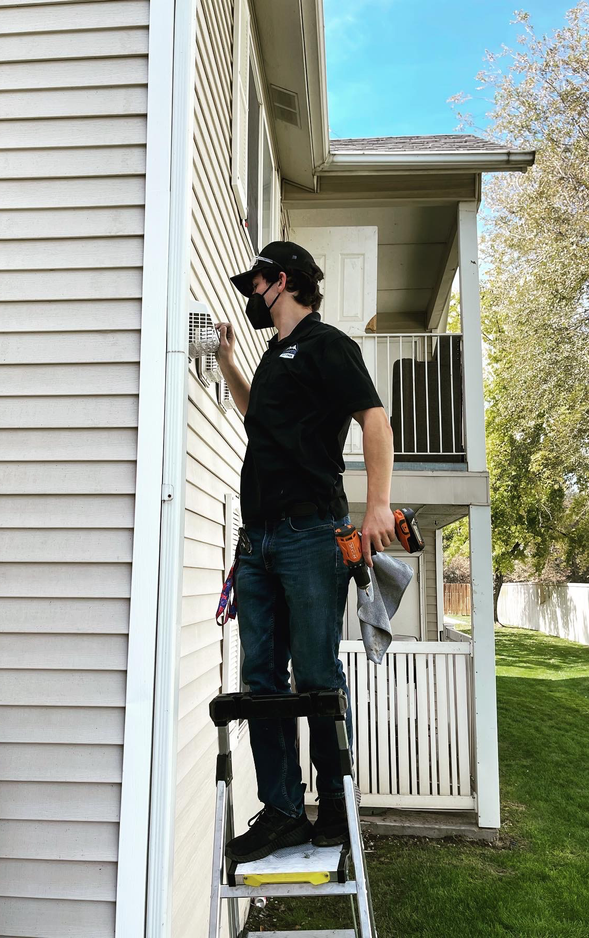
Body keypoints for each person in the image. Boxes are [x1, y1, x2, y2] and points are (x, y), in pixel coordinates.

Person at [215, 241, 394, 863]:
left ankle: (337, 811)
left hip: (310, 534)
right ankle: (284, 812)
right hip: (258, 539)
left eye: (255, 285)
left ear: (281, 280)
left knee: (317, 676)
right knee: (260, 678)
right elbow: (255, 418)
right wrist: (227, 361)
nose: (251, 298)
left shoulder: (327, 346)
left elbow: (373, 417)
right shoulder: (272, 358)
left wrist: (376, 505)